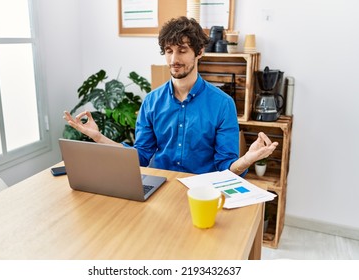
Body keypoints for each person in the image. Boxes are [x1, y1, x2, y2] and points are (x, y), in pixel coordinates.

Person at [64, 16, 278, 176]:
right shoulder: (151, 101)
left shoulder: (223, 104)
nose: (174, 59)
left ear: (199, 52)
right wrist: (98, 137)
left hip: (202, 192)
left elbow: (226, 167)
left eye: (182, 50)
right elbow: (141, 157)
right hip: (161, 187)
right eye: (168, 50)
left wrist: (247, 159)